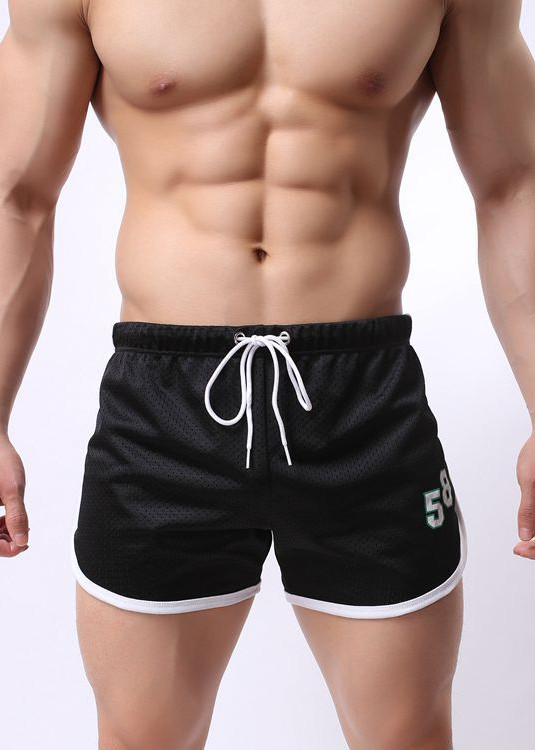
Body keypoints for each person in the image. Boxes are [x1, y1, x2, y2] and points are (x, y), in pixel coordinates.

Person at [0, 0, 534, 748]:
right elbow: (18, 197)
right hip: (164, 405)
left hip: (362, 400)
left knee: (406, 736)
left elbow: (513, 183)